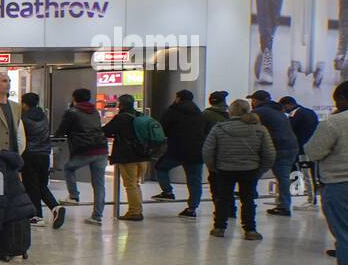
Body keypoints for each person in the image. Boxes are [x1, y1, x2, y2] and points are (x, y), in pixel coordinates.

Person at [202, 99, 274, 241]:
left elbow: (207, 151)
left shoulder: (219, 128)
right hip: (250, 169)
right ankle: (250, 230)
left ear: (231, 111)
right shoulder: (259, 129)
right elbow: (269, 153)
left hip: (224, 169)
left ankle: (219, 227)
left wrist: (213, 167)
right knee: (248, 200)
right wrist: (261, 170)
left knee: (222, 199)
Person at [303, 81, 348, 265]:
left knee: (345, 233)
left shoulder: (334, 123)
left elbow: (313, 151)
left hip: (340, 184)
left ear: (341, 99)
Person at [54, 88, 108, 226]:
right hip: (101, 148)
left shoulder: (72, 112)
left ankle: (74, 196)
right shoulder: (95, 111)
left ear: (74, 98)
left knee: (68, 168)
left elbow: (61, 131)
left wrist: (57, 136)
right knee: (99, 184)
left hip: (85, 149)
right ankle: (97, 216)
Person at [151, 89, 207, 218]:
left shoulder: (172, 111)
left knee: (161, 167)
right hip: (197, 151)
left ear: (178, 98)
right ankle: (192, 208)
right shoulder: (199, 113)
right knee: (194, 180)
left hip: (177, 149)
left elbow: (162, 129)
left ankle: (167, 192)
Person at [248, 90, 298, 217]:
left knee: (254, 172)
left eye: (253, 100)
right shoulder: (279, 111)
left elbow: (249, 129)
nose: (251, 103)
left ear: (256, 101)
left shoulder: (258, 112)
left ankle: (249, 196)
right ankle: (284, 205)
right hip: (291, 146)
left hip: (277, 148)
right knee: (283, 178)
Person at [19, 93, 65, 229]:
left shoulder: (24, 118)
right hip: (45, 154)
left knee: (31, 185)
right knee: (41, 185)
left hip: (30, 154)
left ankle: (36, 216)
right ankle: (55, 207)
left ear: (24, 104)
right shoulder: (43, 116)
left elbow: (21, 137)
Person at [103, 94, 151, 222]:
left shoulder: (121, 118)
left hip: (128, 156)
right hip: (143, 156)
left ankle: (135, 212)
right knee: (135, 184)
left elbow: (106, 130)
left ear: (121, 104)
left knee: (130, 185)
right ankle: (138, 209)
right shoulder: (141, 116)